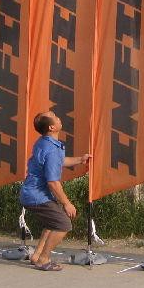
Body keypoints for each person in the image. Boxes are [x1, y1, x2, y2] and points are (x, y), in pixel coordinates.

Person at [20, 110, 91, 271]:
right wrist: (67, 203)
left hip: (34, 193)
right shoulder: (51, 149)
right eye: (55, 117)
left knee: (52, 222)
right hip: (36, 195)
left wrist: (80, 160)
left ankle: (37, 256)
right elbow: (53, 182)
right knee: (63, 224)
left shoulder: (45, 142)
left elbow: (59, 161)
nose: (58, 117)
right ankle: (43, 260)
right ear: (52, 127)